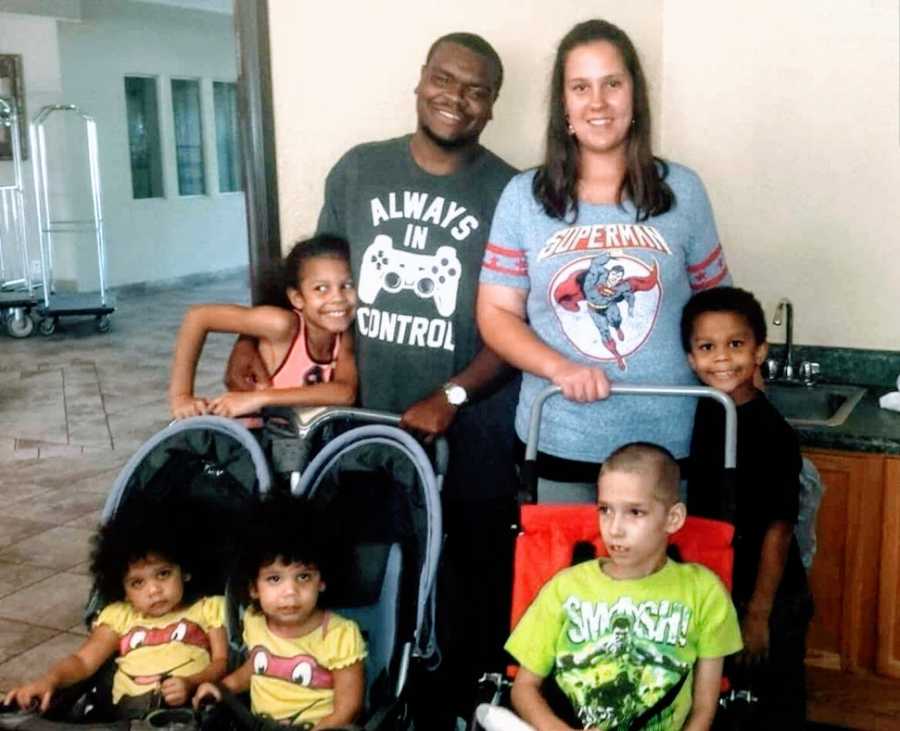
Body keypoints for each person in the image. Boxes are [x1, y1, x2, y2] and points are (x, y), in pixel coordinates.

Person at [226, 32, 520, 728]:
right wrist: (248, 335)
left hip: (472, 436)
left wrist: (451, 395)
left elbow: (519, 322)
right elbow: (309, 274)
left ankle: (454, 714)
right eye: (446, 80)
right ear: (421, 80)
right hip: (359, 432)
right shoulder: (359, 171)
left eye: (477, 90)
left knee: (460, 594)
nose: (457, 98)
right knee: (365, 590)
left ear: (492, 106)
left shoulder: (512, 190)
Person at [477, 19, 732, 495]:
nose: (598, 102)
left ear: (634, 95)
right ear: (564, 107)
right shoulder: (522, 197)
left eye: (612, 83)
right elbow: (495, 314)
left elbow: (718, 308)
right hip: (557, 439)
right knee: (566, 572)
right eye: (581, 87)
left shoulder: (684, 191)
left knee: (664, 572)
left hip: (667, 442)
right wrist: (562, 369)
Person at [505, 443, 742, 730]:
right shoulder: (565, 588)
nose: (614, 528)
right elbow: (523, 688)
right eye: (605, 510)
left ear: (673, 518)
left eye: (635, 512)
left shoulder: (704, 591)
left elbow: (704, 708)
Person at [681, 286, 813, 724]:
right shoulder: (702, 412)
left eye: (735, 344)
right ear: (690, 359)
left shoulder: (771, 432)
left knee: (772, 698)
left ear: (759, 352)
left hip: (769, 590)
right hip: (719, 580)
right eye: (707, 347)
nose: (721, 358)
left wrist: (759, 613)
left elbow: (778, 530)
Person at [3, 512, 227, 718]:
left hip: (184, 713)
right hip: (122, 716)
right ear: (124, 591)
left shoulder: (207, 609)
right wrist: (49, 680)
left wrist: (191, 683)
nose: (154, 590)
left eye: (163, 574)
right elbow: (82, 661)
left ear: (185, 571)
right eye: (137, 583)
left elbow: (221, 662)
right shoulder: (120, 616)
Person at [194, 499, 366, 729]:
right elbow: (254, 669)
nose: (290, 592)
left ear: (322, 581)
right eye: (274, 579)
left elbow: (349, 707)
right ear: (254, 588)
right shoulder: (255, 622)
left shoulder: (339, 634)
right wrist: (222, 688)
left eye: (303, 577)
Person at [169, 234, 357, 419]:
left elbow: (344, 392)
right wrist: (181, 396)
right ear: (297, 298)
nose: (338, 298)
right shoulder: (281, 324)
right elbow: (198, 317)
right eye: (321, 288)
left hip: (298, 441)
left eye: (348, 285)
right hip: (254, 437)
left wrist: (259, 398)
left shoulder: (343, 334)